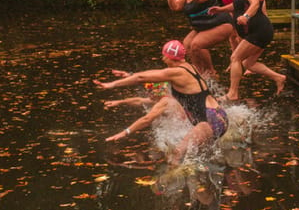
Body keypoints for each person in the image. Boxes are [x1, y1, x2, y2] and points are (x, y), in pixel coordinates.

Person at [93, 40, 229, 164]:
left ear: (170, 57)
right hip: (219, 117)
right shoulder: (189, 68)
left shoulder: (174, 77)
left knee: (177, 155)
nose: (162, 59)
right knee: (197, 158)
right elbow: (150, 78)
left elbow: (141, 77)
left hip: (208, 122)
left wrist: (112, 85)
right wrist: (129, 76)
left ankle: (170, 183)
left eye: (164, 56)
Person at [209, 0, 286, 100]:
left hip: (259, 31)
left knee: (235, 58)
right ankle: (279, 78)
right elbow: (236, 6)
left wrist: (246, 16)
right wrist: (220, 10)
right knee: (248, 64)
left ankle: (233, 93)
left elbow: (255, 4)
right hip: (257, 32)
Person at [167, 0, 234, 77]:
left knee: (197, 44)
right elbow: (175, 7)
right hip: (203, 26)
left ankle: (211, 72)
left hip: (221, 23)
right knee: (187, 44)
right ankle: (199, 72)